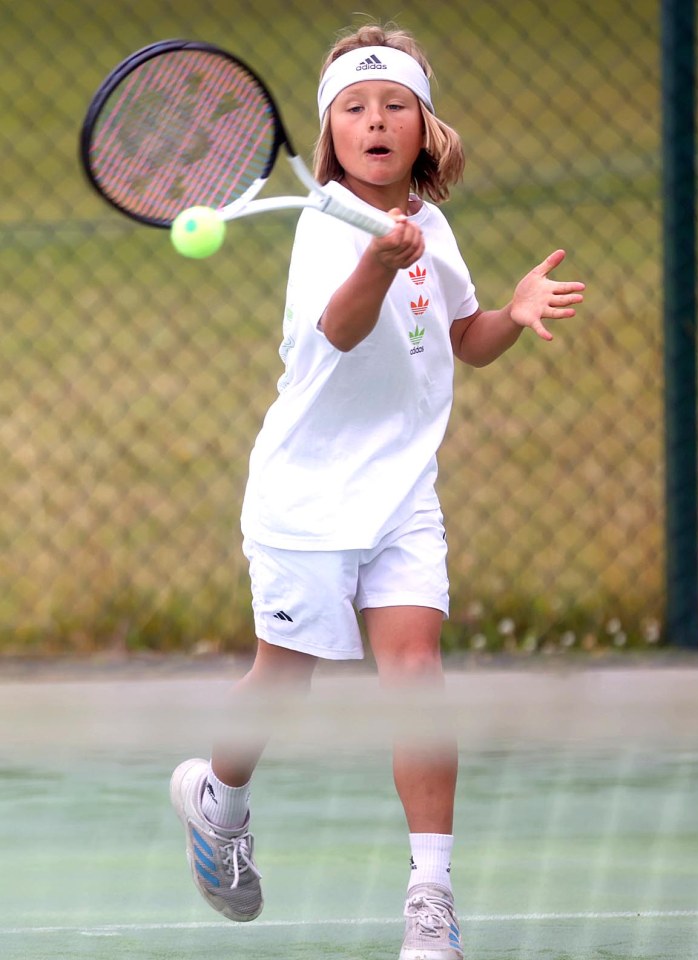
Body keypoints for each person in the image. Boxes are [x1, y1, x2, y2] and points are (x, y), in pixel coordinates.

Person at [170, 21, 585, 960]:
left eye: (395, 104)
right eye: (353, 108)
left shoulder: (432, 227)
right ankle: (216, 798)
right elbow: (344, 327)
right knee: (285, 679)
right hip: (306, 499)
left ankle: (429, 904)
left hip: (402, 496)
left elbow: (463, 335)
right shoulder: (324, 226)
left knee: (417, 686)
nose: (375, 121)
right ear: (330, 138)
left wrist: (511, 315)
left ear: (424, 128)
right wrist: (375, 259)